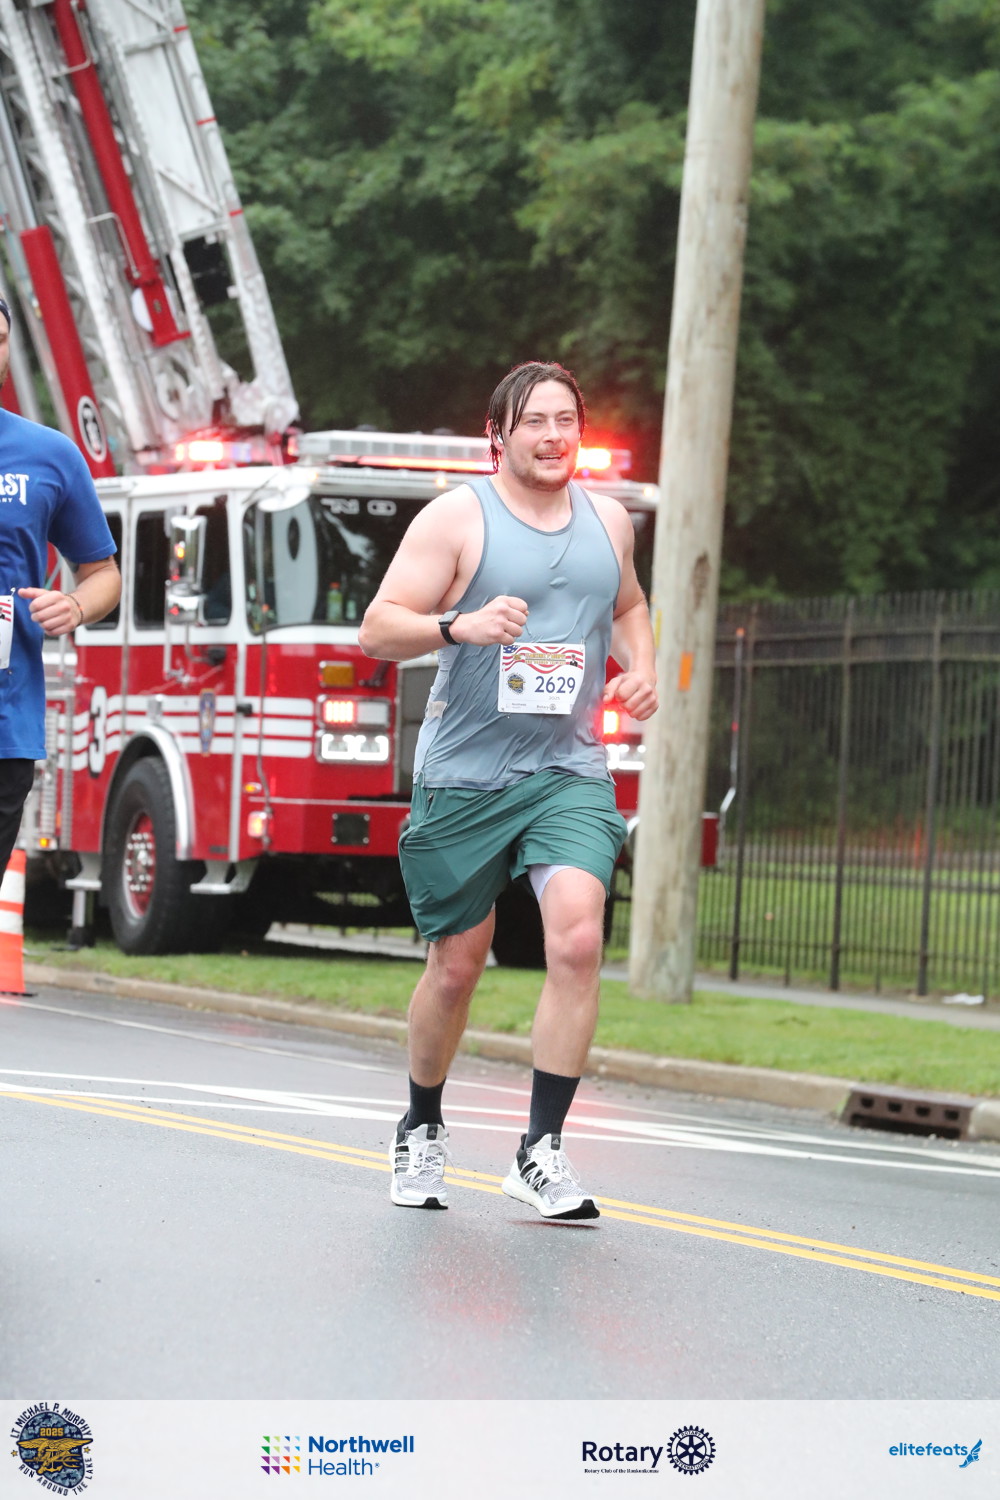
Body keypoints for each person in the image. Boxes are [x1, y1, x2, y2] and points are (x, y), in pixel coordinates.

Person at [359, 360, 658, 1220]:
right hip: (466, 774)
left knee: (578, 940)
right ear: (498, 436)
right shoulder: (458, 518)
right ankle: (421, 1124)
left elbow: (628, 606)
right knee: (456, 967)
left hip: (568, 768)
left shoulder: (609, 520)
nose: (554, 437)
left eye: (566, 421)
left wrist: (640, 667)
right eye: (535, 422)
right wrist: (460, 625)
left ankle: (541, 1150)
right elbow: (379, 628)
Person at [0, 295, 121, 875]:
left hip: (5, 726)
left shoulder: (48, 455)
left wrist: (73, 604)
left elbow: (103, 575)